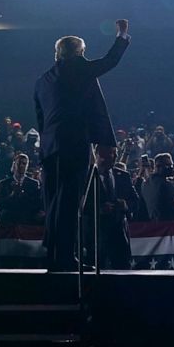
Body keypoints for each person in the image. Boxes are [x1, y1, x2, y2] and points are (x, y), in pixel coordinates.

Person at [35, 19, 131, 271]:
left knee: (54, 201)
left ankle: (54, 254)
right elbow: (110, 61)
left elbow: (41, 120)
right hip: (73, 144)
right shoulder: (78, 69)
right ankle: (66, 257)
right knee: (69, 202)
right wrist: (122, 35)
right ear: (79, 53)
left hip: (49, 148)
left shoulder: (43, 80)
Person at [87, 145, 136, 269]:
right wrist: (99, 209)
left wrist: (126, 205)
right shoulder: (87, 177)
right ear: (99, 154)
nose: (115, 156)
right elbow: (79, 204)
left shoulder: (123, 176)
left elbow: (136, 201)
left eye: (115, 152)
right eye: (110, 152)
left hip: (119, 236)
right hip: (96, 236)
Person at [141, 153, 174, 221]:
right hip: (170, 227)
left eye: (171, 165)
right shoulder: (166, 185)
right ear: (158, 167)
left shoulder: (145, 184)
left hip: (154, 227)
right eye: (168, 165)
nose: (171, 168)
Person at [0, 153, 43, 225]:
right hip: (8, 223)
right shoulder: (4, 183)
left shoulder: (33, 184)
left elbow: (36, 204)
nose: (21, 165)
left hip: (26, 223)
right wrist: (12, 195)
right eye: (19, 163)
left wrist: (23, 195)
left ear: (27, 166)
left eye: (24, 163)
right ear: (14, 164)